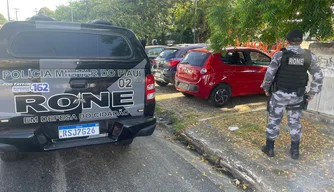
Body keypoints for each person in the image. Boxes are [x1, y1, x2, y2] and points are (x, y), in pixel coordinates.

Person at [260, 29, 324, 160]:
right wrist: (312, 93)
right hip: (297, 96)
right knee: (294, 122)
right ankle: (295, 151)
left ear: (287, 41)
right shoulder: (309, 56)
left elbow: (269, 74)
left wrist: (266, 88)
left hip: (279, 95)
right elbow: (318, 76)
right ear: (301, 41)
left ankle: (270, 149)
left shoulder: (280, 55)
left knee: (274, 121)